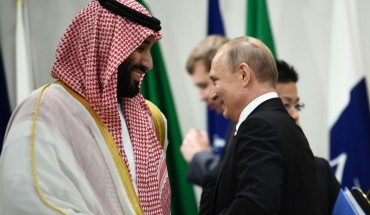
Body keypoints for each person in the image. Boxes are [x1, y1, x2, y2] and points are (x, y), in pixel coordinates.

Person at [0, 0, 171, 214]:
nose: (148, 63)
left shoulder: (149, 118)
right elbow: (27, 202)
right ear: (103, 44)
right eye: (140, 47)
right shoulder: (44, 111)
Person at [203, 36, 320, 214]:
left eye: (215, 80)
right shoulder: (286, 126)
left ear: (244, 74)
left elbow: (254, 207)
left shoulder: (259, 127)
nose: (212, 94)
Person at [276, 59, 340, 215]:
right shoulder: (249, 169)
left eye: (296, 105)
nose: (295, 114)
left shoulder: (321, 169)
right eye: (286, 105)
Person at [180, 35, 236, 186]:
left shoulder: (253, 121)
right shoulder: (236, 122)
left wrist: (199, 155)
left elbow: (233, 186)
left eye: (204, 86)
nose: (201, 97)